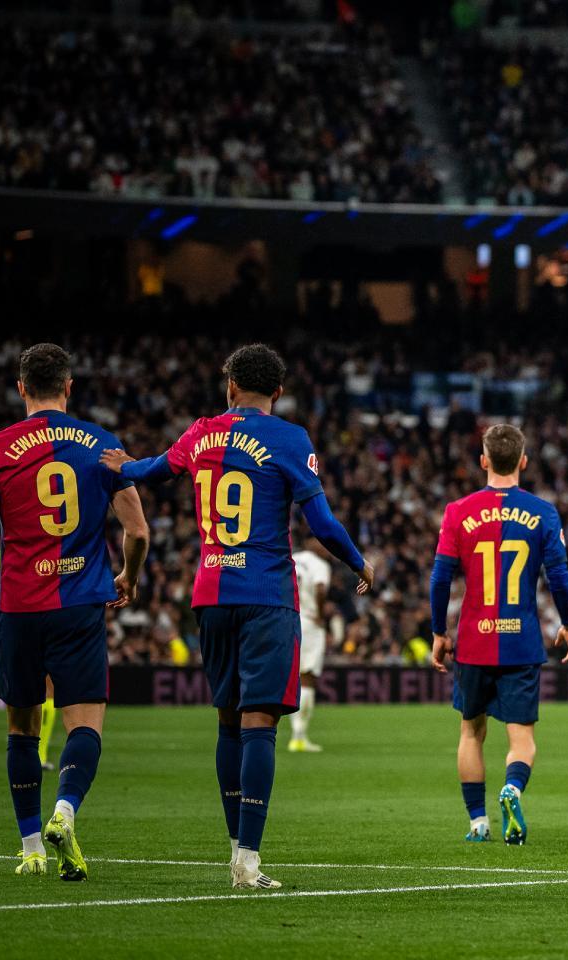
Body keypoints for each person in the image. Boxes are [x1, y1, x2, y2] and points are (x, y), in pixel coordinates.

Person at [102, 343, 374, 889]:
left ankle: (234, 850)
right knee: (260, 725)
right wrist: (357, 561)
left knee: (227, 720)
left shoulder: (202, 432)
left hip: (211, 593)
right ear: (276, 392)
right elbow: (319, 521)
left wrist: (119, 466)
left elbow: (152, 471)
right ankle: (247, 861)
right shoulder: (291, 439)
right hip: (267, 594)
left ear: (230, 387)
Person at [0, 342, 150, 881]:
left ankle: (33, 847)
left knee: (21, 727)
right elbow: (137, 531)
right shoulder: (103, 445)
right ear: (69, 387)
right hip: (80, 604)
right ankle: (66, 811)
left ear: (21, 389)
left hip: (18, 606)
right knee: (85, 722)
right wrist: (128, 576)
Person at [428, 424, 568, 845]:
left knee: (471, 731)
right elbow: (560, 578)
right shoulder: (544, 513)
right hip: (521, 640)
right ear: (524, 462)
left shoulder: (458, 511)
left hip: (474, 640)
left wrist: (439, 631)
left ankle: (478, 823)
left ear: (484, 460)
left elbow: (440, 578)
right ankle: (512, 788)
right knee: (522, 737)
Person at [288, 541, 335, 753]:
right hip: (308, 620)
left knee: (292, 676)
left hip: (286, 618)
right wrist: (320, 612)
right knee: (306, 678)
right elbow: (321, 588)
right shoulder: (320, 565)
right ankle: (299, 736)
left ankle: (296, 734)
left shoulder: (293, 558)